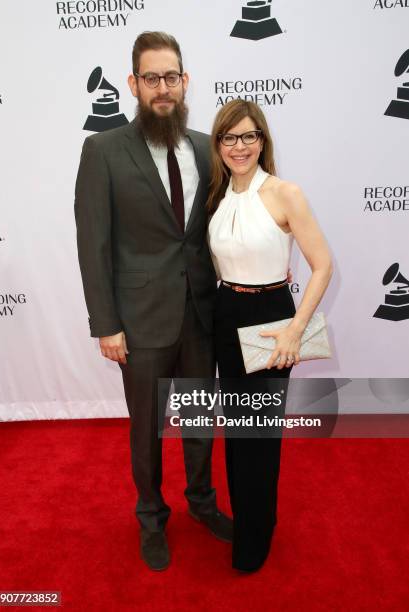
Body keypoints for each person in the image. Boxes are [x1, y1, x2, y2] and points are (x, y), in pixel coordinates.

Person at [74, 31, 232, 572]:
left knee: (198, 418)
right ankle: (150, 518)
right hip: (138, 322)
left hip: (201, 313)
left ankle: (203, 503)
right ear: (133, 84)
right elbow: (92, 242)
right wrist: (106, 324)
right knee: (145, 427)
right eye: (150, 78)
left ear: (184, 82)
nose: (161, 88)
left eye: (171, 77)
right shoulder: (103, 149)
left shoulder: (208, 147)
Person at [207, 100, 333, 572]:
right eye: (229, 138)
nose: (239, 147)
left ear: (262, 140)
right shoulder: (218, 196)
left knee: (259, 436)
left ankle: (254, 542)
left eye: (248, 136)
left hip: (271, 317)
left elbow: (322, 266)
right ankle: (247, 522)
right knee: (237, 434)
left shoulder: (285, 193)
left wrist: (294, 331)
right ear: (218, 144)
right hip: (226, 313)